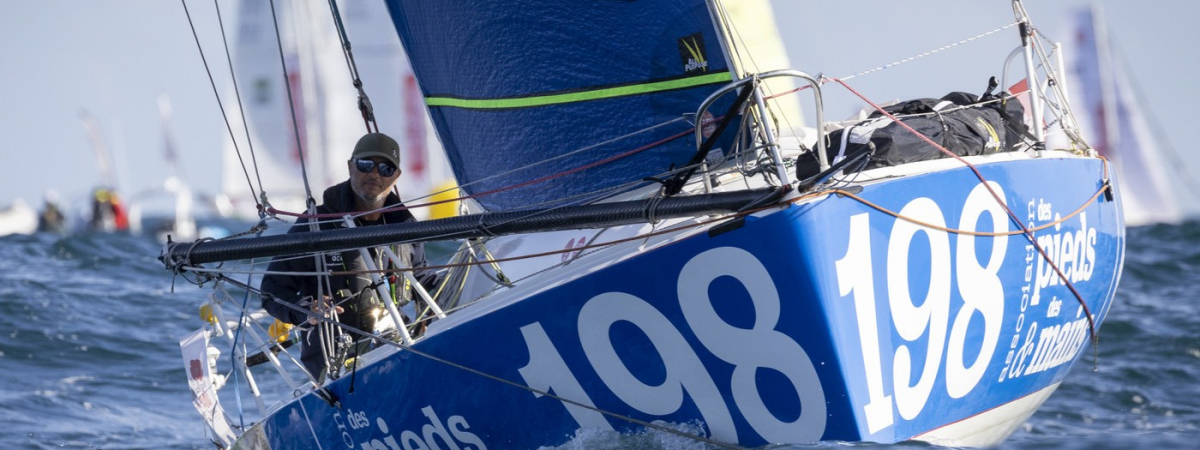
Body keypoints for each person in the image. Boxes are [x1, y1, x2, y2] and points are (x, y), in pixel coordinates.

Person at [259, 132, 441, 382]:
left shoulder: (405, 228)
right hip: (337, 365)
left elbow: (422, 280)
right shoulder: (315, 226)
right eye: (366, 165)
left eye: (386, 168)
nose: (375, 174)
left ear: (396, 177)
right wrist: (307, 311)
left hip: (397, 349)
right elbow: (271, 291)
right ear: (350, 166)